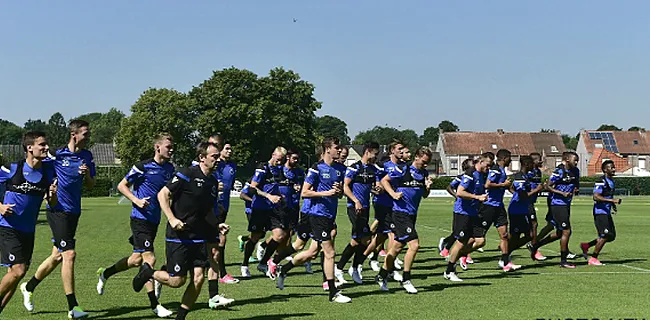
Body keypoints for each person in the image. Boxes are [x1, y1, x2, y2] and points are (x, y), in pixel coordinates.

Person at [132, 142, 232, 319]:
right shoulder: (186, 174)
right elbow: (163, 194)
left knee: (199, 278)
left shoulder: (213, 182)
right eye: (214, 156)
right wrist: (172, 218)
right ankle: (148, 272)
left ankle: (181, 317)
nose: (218, 160)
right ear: (202, 158)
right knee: (177, 281)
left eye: (218, 156)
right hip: (179, 237)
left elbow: (207, 211)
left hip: (199, 236)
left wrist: (217, 225)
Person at [21, 120, 96, 319]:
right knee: (69, 254)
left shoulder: (87, 156)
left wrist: (87, 174)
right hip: (57, 210)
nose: (88, 137)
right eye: (85, 134)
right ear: (74, 134)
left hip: (74, 212)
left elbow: (90, 185)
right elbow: (35, 168)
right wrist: (46, 192)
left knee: (56, 256)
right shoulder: (56, 155)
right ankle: (73, 307)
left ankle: (28, 287)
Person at [95, 133, 175, 318]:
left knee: (136, 260)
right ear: (157, 148)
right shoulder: (142, 167)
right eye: (168, 147)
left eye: (172, 147)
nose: (171, 150)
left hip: (154, 220)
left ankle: (105, 273)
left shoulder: (170, 169)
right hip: (139, 219)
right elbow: (122, 186)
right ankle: (155, 305)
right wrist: (136, 200)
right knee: (150, 260)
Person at [276, 137, 351, 303]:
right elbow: (305, 192)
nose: (339, 150)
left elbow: (338, 194)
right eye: (336, 147)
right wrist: (326, 193)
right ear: (327, 149)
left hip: (329, 215)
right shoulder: (316, 168)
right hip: (317, 215)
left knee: (312, 252)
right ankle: (332, 292)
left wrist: (338, 192)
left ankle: (283, 269)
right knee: (330, 252)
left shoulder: (340, 169)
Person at [0, 131, 56, 316]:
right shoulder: (12, 168)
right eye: (42, 144)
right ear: (29, 147)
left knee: (17, 275)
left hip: (28, 231)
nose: (46, 147)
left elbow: (52, 203)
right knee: (18, 270)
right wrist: (0, 206)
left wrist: (53, 195)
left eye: (46, 144)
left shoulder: (47, 172)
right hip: (8, 227)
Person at [375, 147, 433, 293]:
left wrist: (427, 188)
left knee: (397, 247)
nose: (426, 165)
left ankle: (381, 276)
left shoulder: (423, 173)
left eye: (428, 163)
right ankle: (406, 279)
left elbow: (424, 195)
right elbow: (384, 180)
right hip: (400, 213)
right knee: (414, 245)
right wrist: (393, 194)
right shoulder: (403, 169)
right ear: (417, 157)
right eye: (424, 162)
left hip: (412, 214)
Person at [335, 141, 380, 284]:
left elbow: (375, 186)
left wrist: (377, 190)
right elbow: (346, 187)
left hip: (365, 208)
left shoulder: (373, 169)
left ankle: (350, 267)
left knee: (361, 240)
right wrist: (356, 200)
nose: (376, 157)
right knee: (360, 240)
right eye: (375, 154)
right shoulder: (354, 168)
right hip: (354, 208)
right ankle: (344, 268)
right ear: (367, 152)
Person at [443, 153, 492, 282]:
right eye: (488, 165)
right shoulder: (470, 173)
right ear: (480, 162)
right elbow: (460, 192)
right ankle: (449, 270)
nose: (489, 168)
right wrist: (477, 197)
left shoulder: (482, 175)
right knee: (461, 241)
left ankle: (457, 256)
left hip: (473, 213)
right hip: (462, 212)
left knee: (480, 241)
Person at [528, 152, 580, 268]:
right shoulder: (559, 171)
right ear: (566, 159)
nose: (576, 162)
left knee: (559, 233)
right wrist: (561, 193)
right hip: (557, 203)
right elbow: (548, 186)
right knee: (566, 231)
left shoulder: (576, 171)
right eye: (574, 160)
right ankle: (563, 261)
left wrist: (576, 189)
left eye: (577, 160)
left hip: (566, 204)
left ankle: (535, 246)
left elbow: (576, 184)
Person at [240, 147, 285, 278]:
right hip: (259, 208)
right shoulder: (262, 168)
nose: (279, 162)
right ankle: (244, 264)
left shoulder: (279, 169)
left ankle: (263, 263)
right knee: (255, 237)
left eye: (281, 160)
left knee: (279, 235)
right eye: (278, 159)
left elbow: (274, 187)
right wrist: (268, 196)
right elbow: (253, 187)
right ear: (273, 155)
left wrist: (280, 196)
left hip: (272, 209)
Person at [580, 160, 621, 266]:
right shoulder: (601, 181)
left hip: (606, 212)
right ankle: (593, 259)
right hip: (599, 212)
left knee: (611, 236)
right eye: (611, 167)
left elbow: (608, 196)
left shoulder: (611, 181)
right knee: (605, 235)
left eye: (613, 167)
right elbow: (596, 196)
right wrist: (612, 201)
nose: (613, 169)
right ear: (604, 170)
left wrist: (613, 205)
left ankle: (587, 245)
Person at [482, 149, 513, 268]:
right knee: (479, 237)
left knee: (504, 235)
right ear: (505, 158)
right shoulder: (495, 169)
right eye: (509, 158)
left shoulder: (502, 171)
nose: (510, 160)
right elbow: (487, 184)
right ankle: (463, 254)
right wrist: (502, 185)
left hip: (499, 206)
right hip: (489, 206)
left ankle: (505, 261)